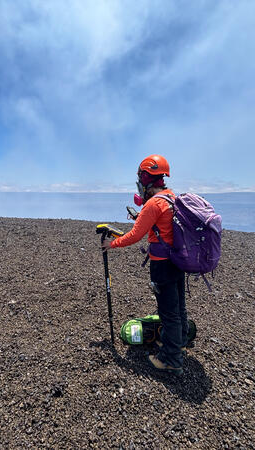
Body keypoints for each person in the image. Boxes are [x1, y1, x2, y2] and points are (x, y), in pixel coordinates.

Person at [101, 154, 188, 374]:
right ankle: (177, 342)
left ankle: (171, 359)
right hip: (178, 261)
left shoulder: (153, 204)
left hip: (162, 265)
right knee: (178, 307)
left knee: (168, 311)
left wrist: (113, 244)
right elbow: (161, 226)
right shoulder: (171, 198)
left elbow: (135, 236)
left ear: (147, 177)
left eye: (141, 177)